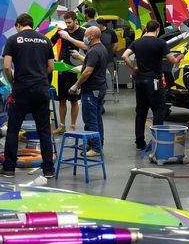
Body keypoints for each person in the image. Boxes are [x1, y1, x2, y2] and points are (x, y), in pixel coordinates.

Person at [0, 13, 56, 178]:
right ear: (32, 24)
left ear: (18, 25)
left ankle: (9, 169)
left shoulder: (13, 40)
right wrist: (38, 76)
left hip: (21, 89)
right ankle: (48, 169)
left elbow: (7, 67)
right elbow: (51, 66)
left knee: (13, 129)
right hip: (41, 89)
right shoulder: (45, 40)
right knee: (44, 130)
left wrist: (13, 82)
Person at [122, 20, 178, 151]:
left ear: (146, 29)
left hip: (140, 81)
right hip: (154, 82)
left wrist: (134, 68)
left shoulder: (137, 42)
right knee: (158, 111)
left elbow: (125, 56)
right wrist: (178, 58)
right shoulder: (160, 43)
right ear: (157, 29)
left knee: (141, 112)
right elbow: (172, 60)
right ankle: (157, 142)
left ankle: (139, 143)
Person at [71, 26, 109, 157]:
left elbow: (88, 71)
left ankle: (96, 148)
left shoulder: (93, 51)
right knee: (97, 118)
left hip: (91, 90)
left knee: (90, 119)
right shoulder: (101, 48)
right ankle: (95, 142)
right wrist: (80, 57)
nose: (84, 37)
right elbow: (91, 64)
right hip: (99, 88)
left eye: (86, 35)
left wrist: (76, 85)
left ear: (92, 36)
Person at [54, 10, 85, 135]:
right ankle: (62, 125)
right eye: (66, 23)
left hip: (75, 70)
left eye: (69, 22)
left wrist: (69, 38)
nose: (67, 25)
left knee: (74, 100)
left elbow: (86, 46)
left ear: (75, 20)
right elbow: (50, 42)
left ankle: (72, 125)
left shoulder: (83, 32)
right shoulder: (62, 31)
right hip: (62, 69)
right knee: (61, 99)